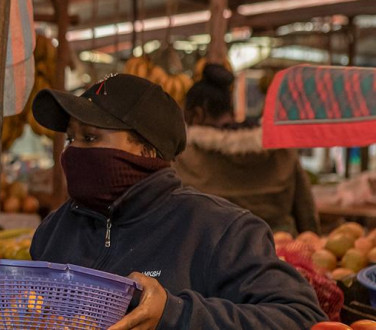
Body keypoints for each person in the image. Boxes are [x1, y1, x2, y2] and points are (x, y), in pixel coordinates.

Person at [28, 74, 326, 329]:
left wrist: (174, 314)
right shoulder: (55, 229)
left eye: (90, 138)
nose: (73, 151)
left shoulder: (220, 230)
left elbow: (301, 317)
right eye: (71, 139)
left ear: (147, 150)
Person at [174, 64, 319, 234]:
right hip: (278, 252)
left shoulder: (184, 158)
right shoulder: (281, 150)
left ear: (197, 114)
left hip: (214, 253)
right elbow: (307, 215)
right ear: (231, 110)